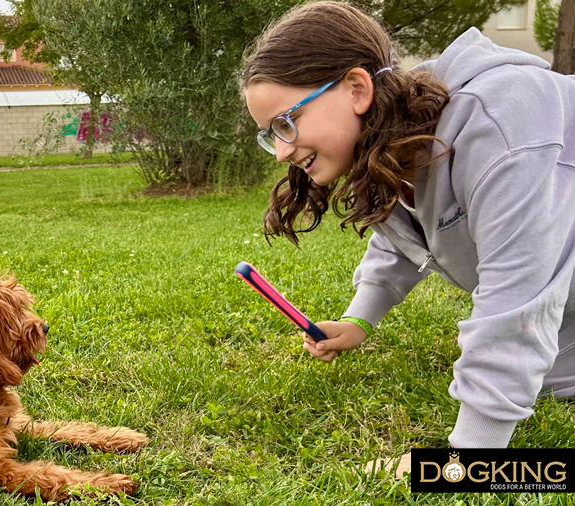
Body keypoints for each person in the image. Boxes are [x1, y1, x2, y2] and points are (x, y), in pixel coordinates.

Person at [240, 0, 575, 464]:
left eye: (285, 123)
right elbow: (405, 227)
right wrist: (359, 319)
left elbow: (515, 303)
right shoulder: (404, 135)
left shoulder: (504, 123)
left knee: (530, 445)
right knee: (547, 388)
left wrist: (464, 464)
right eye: (269, 134)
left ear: (356, 88)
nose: (279, 152)